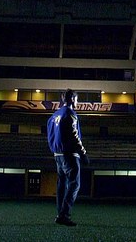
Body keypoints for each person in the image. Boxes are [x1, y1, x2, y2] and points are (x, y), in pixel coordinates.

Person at [47, 89, 89, 226]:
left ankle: (60, 213)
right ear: (72, 99)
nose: (78, 102)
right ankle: (64, 215)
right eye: (77, 99)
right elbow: (74, 135)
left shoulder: (54, 115)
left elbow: (50, 134)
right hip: (69, 154)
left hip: (57, 154)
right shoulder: (70, 114)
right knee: (74, 184)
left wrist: (54, 150)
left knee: (61, 185)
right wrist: (83, 153)